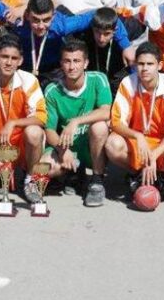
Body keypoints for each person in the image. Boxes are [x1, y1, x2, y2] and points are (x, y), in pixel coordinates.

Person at [0, 0, 134, 84]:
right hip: (23, 68)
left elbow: (103, 15)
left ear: (53, 16)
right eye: (35, 20)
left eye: (46, 20)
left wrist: (126, 45)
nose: (41, 26)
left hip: (53, 71)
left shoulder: (62, 25)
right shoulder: (16, 19)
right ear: (27, 15)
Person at [106, 42, 164, 203]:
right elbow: (116, 123)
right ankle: (137, 174)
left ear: (159, 65)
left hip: (163, 142)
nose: (144, 68)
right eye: (141, 64)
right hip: (137, 141)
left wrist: (153, 156)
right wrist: (137, 136)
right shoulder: (127, 83)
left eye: (150, 64)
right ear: (135, 64)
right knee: (112, 144)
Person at [0, 35, 47, 203]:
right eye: (4, 57)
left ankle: (30, 180)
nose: (9, 62)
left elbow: (41, 117)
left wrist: (13, 123)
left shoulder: (29, 80)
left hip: (20, 145)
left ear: (20, 61)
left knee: (35, 132)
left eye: (14, 58)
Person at [43, 40, 113, 207]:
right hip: (66, 146)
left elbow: (106, 112)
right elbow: (49, 130)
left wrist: (76, 121)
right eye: (67, 61)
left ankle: (97, 180)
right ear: (61, 63)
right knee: (44, 168)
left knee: (100, 126)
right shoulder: (52, 90)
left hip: (91, 145)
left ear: (86, 63)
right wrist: (63, 151)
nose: (72, 66)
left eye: (77, 61)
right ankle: (72, 173)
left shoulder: (98, 79)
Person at [77, 7, 129, 92]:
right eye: (97, 32)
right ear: (92, 28)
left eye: (107, 34)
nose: (101, 38)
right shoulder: (83, 39)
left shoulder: (121, 47)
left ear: (115, 30)